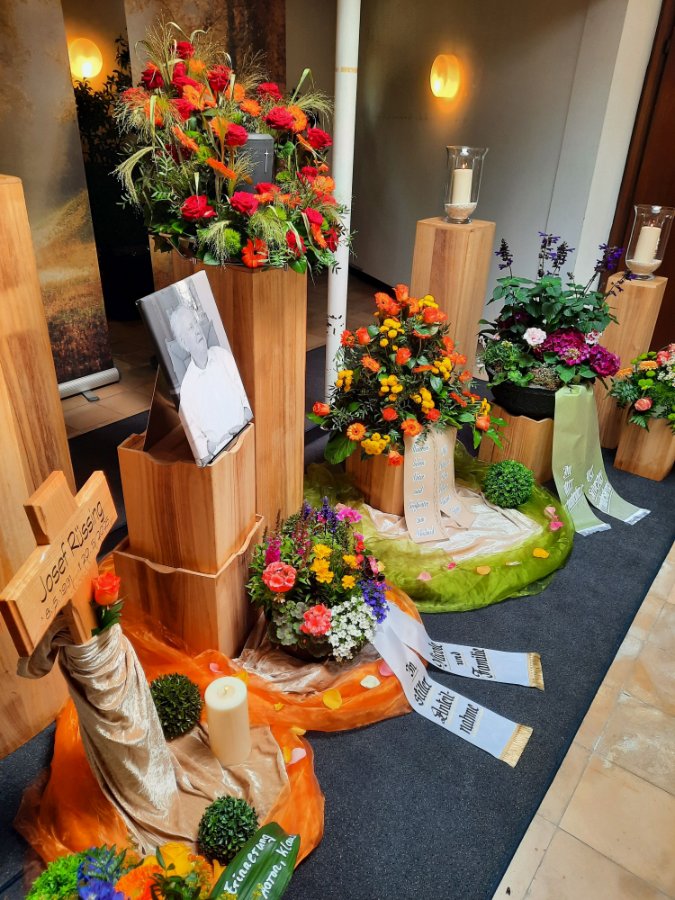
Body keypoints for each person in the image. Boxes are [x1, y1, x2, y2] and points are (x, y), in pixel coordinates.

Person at [168, 304, 252, 462]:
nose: (197, 330)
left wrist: (243, 423)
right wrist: (216, 445)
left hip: (247, 433)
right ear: (184, 343)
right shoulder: (187, 389)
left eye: (196, 323)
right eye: (190, 328)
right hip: (221, 455)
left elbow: (247, 398)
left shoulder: (223, 357)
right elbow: (195, 439)